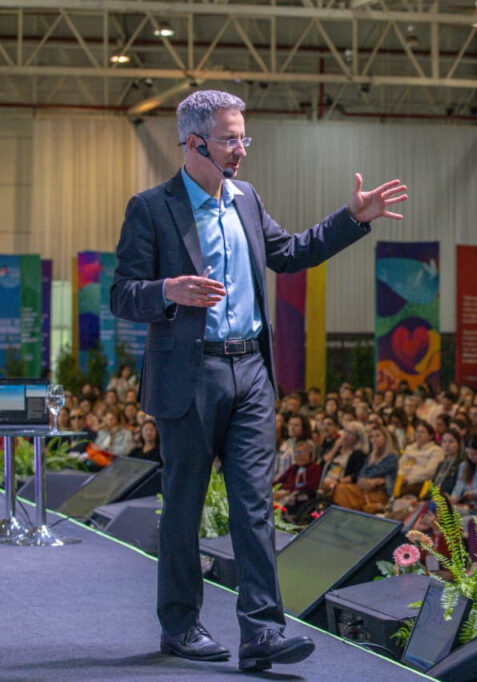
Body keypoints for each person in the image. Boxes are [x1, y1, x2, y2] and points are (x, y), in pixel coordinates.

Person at [110, 89, 406, 671]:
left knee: (253, 507)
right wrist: (167, 291)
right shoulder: (151, 207)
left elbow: (291, 253)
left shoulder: (246, 198)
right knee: (184, 507)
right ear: (194, 143)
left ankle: (262, 633)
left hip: (251, 372)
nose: (241, 149)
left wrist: (352, 219)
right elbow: (121, 292)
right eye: (230, 138)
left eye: (244, 136)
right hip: (189, 376)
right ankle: (179, 625)